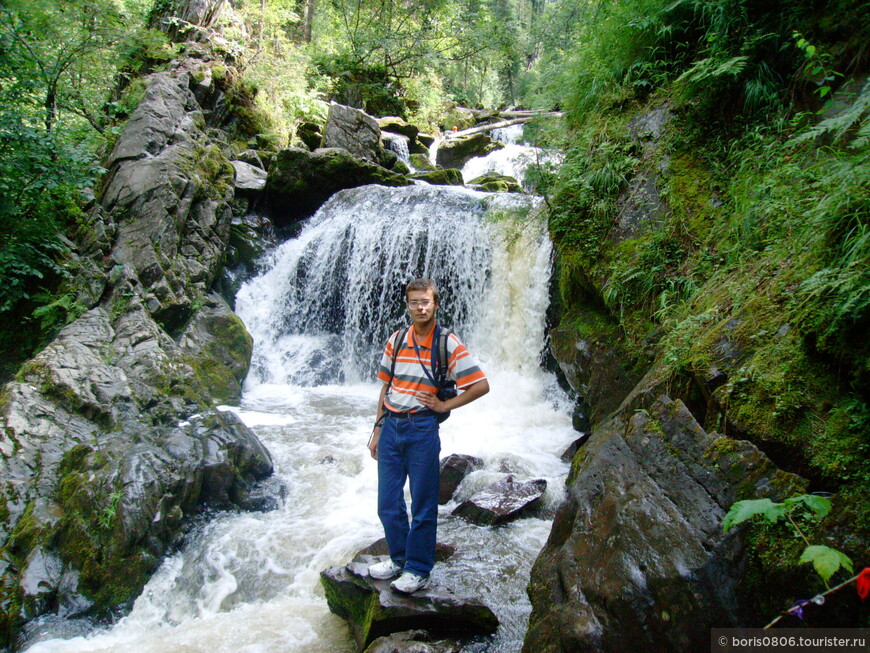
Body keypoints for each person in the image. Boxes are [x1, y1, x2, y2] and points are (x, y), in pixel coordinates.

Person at [367, 278, 490, 593]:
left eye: (425, 302)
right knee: (388, 503)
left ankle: (419, 570)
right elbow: (386, 386)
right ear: (407, 306)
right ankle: (399, 560)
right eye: (414, 302)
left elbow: (480, 385)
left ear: (435, 304)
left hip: (422, 429)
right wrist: (377, 429)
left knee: (422, 504)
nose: (420, 307)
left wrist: (445, 404)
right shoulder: (396, 339)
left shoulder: (447, 343)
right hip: (392, 426)